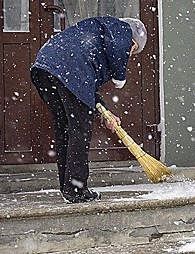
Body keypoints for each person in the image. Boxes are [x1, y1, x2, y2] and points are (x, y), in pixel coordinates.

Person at [30, 16, 147, 203]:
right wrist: (119, 76)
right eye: (133, 50)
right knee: (80, 131)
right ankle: (76, 189)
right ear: (133, 42)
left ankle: (68, 186)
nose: (130, 55)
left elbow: (85, 90)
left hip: (46, 67)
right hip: (67, 70)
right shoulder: (121, 30)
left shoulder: (98, 37)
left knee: (65, 130)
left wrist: (106, 112)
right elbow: (80, 82)